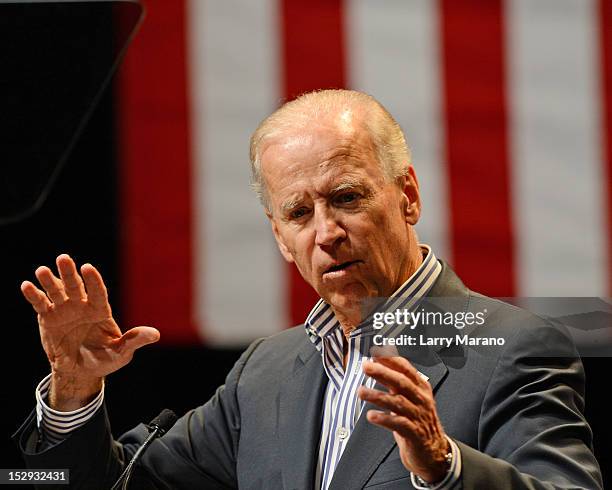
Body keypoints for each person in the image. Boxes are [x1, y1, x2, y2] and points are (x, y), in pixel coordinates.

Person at [15, 89, 602, 489]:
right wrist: (75, 393)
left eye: (346, 197)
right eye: (298, 212)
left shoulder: (514, 347)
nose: (327, 233)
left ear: (408, 196)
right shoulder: (265, 372)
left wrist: (444, 468)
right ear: (278, 236)